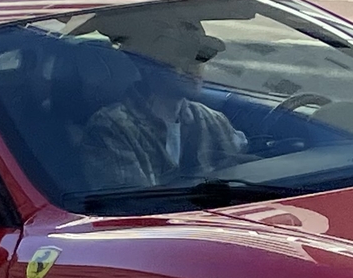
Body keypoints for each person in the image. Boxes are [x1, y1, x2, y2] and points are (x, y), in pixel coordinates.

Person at [76, 11, 250, 191]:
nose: (194, 66)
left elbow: (245, 168)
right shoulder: (112, 127)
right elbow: (135, 204)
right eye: (180, 56)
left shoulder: (210, 119)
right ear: (147, 65)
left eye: (201, 56)